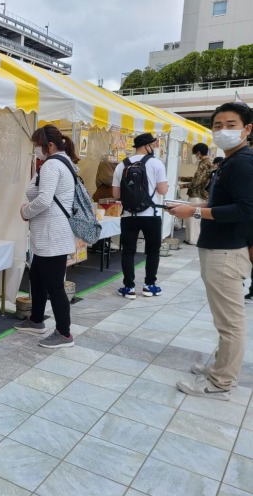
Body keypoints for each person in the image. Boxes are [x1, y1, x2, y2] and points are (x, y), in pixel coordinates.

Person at [169, 101, 253, 401]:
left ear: (247, 129)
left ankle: (221, 383)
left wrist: (194, 214)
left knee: (230, 323)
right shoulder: (229, 161)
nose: (222, 131)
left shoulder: (243, 162)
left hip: (227, 251)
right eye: (217, 126)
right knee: (224, 319)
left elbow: (246, 208)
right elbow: (219, 204)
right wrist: (194, 206)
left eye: (231, 125)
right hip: (219, 248)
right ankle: (220, 368)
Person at [14, 125, 78, 348]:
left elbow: (43, 200)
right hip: (49, 235)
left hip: (52, 235)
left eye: (38, 146)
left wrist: (25, 211)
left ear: (49, 145)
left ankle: (64, 333)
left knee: (54, 285)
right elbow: (38, 191)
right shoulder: (61, 163)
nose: (36, 151)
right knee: (37, 278)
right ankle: (36, 320)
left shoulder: (52, 165)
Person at [112, 133, 168, 299]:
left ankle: (129, 287)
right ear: (147, 146)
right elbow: (163, 191)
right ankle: (149, 285)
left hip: (129, 214)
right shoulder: (157, 163)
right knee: (152, 251)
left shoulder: (122, 165)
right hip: (152, 213)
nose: (154, 148)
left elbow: (116, 195)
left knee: (128, 252)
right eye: (153, 145)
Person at [179, 143, 214, 245]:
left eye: (195, 154)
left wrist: (183, 186)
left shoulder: (204, 164)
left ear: (199, 153)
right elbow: (197, 179)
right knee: (197, 217)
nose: (195, 156)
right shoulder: (209, 163)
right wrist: (182, 178)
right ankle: (195, 238)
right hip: (203, 194)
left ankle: (192, 239)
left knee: (192, 217)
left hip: (197, 194)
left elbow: (197, 182)